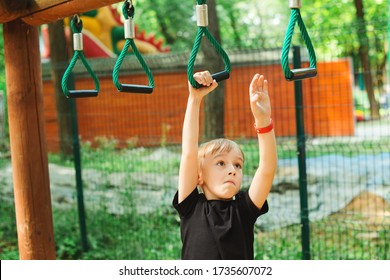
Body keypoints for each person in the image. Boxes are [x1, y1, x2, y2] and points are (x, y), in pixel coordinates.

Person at [172, 71, 277, 260]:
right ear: (199, 175)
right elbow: (189, 153)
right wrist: (194, 100)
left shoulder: (244, 209)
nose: (232, 170)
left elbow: (267, 169)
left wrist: (262, 121)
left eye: (238, 165)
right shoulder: (190, 206)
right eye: (221, 163)